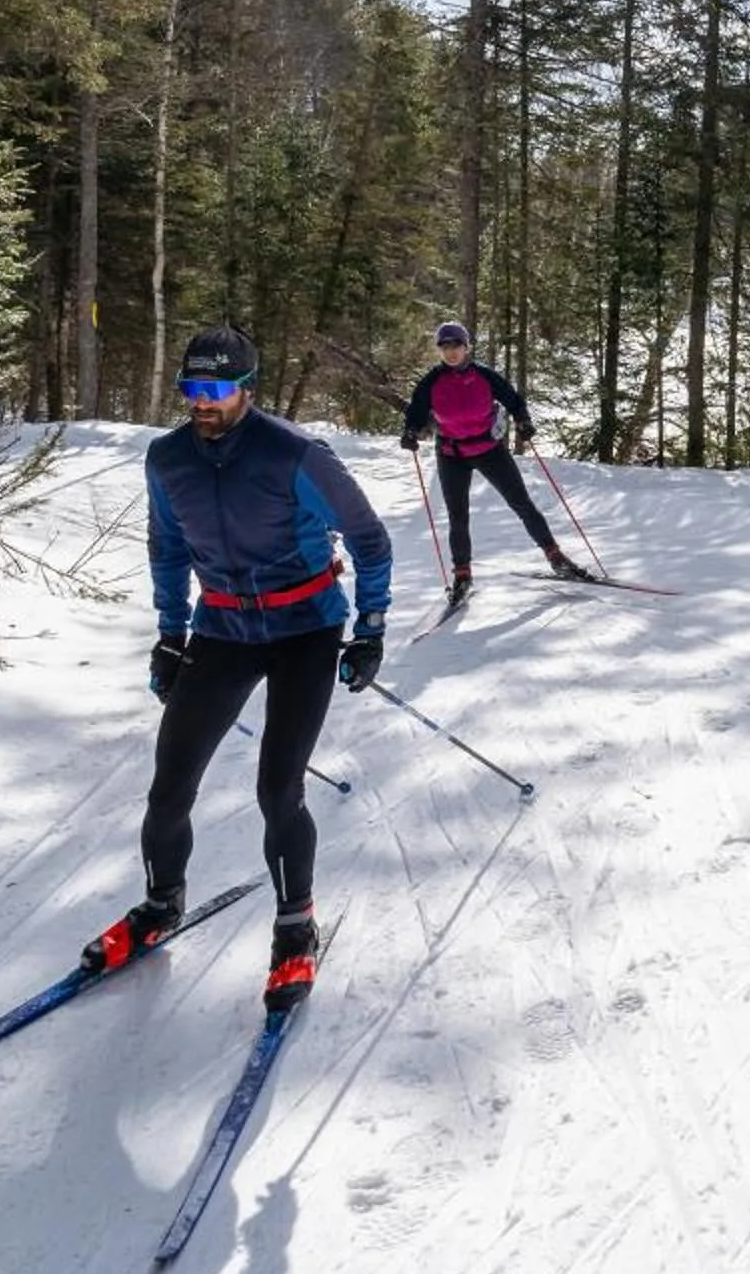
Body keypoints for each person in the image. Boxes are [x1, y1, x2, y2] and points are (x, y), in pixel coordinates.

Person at [84, 325, 392, 1013]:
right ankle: (162, 904)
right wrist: (170, 635)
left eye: (217, 389)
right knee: (169, 787)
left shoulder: (296, 455)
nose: (202, 401)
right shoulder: (168, 459)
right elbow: (166, 547)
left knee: (278, 788)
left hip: (305, 629)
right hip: (222, 627)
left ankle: (294, 927)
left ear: (247, 390)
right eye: (192, 388)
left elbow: (369, 539)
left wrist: (369, 628)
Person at [399, 320, 584, 593]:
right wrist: (410, 432)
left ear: (466, 347)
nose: (451, 352)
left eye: (456, 346)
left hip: (489, 450)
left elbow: (513, 399)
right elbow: (415, 412)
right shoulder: (431, 382)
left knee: (521, 503)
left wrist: (523, 421)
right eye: (445, 347)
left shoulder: (485, 376)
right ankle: (462, 574)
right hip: (451, 453)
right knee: (457, 516)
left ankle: (555, 556)